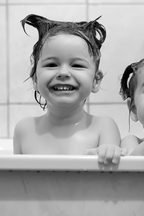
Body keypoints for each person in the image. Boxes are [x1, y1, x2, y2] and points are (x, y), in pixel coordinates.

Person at [13, 14, 126, 165]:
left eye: (77, 65)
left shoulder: (103, 127)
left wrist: (110, 152)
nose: (63, 73)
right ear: (35, 79)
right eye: (52, 64)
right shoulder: (25, 129)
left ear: (96, 80)